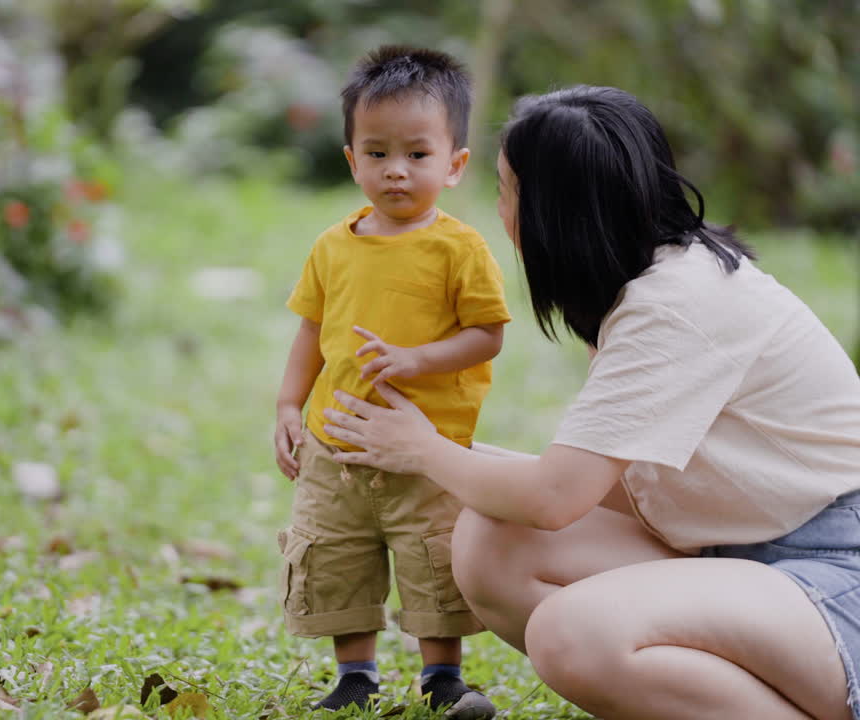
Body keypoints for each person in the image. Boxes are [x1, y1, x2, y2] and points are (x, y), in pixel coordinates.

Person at [321, 84, 860, 720]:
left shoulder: (675, 307)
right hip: (739, 556)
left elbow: (555, 498)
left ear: (553, 213)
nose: (500, 212)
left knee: (572, 634)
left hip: (833, 577)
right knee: (493, 541)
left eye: (505, 191)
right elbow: (593, 483)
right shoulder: (643, 286)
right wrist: (410, 449)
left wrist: (424, 451)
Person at [273, 45, 510, 717]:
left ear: (455, 164)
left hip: (425, 448)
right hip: (337, 443)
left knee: (432, 561)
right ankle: (355, 674)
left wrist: (416, 360)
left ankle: (442, 679)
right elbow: (311, 332)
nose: (396, 171)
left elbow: (486, 333)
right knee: (337, 555)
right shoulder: (333, 245)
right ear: (351, 160)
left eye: (417, 154)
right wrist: (290, 403)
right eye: (376, 154)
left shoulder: (460, 249)